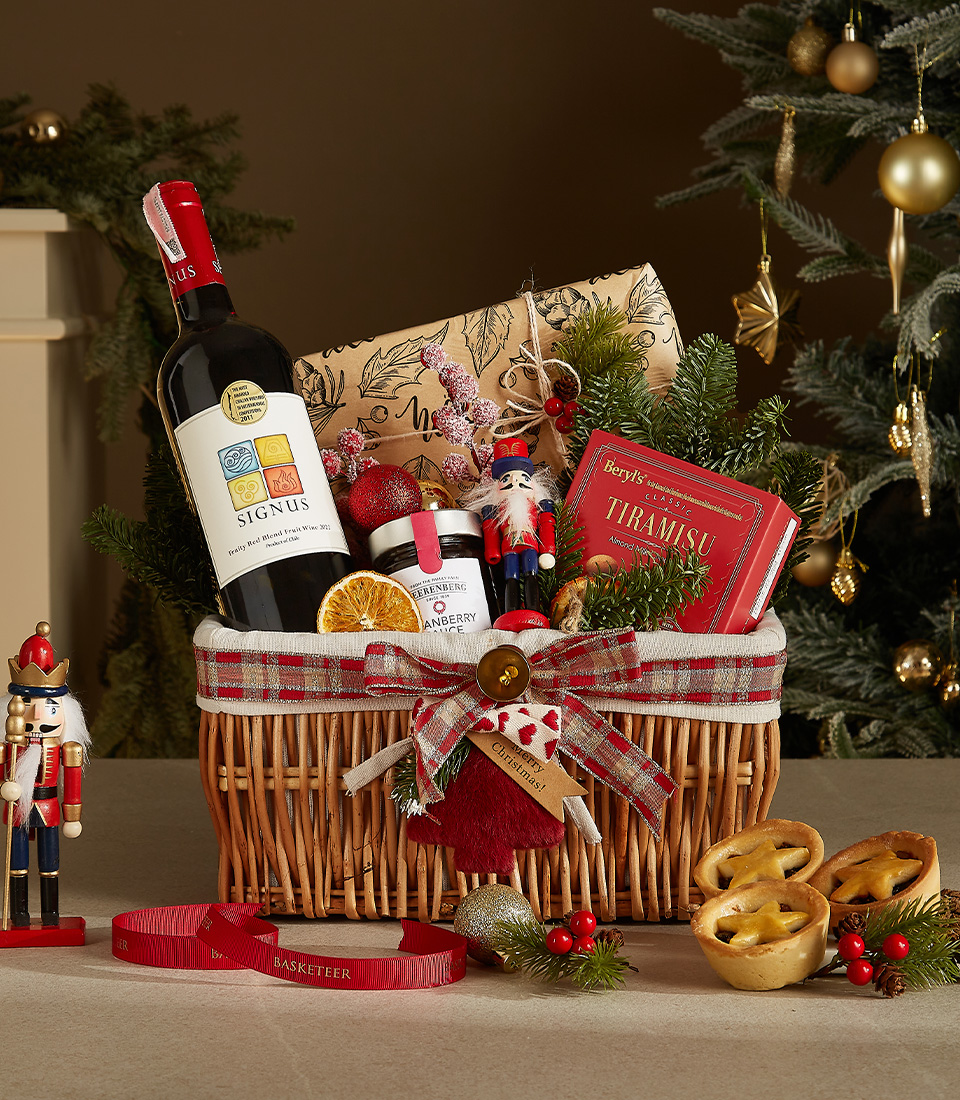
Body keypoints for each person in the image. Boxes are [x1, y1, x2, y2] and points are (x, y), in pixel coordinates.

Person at [1, 621, 89, 929]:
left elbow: (73, 782)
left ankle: (51, 915)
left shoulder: (66, 747)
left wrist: (72, 815)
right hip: (19, 808)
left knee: (50, 864)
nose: (37, 714)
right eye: (26, 704)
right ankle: (19, 914)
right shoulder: (9, 747)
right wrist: (6, 787)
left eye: (50, 705)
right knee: (18, 864)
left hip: (49, 806)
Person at [465, 438, 556, 615]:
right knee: (510, 578)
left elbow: (546, 525)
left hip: (531, 546)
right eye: (506, 478)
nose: (514, 482)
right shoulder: (495, 510)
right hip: (509, 549)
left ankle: (534, 610)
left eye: (523, 478)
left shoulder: (537, 506)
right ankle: (511, 612)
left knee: (531, 575)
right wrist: (492, 552)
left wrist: (547, 551)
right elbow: (491, 531)